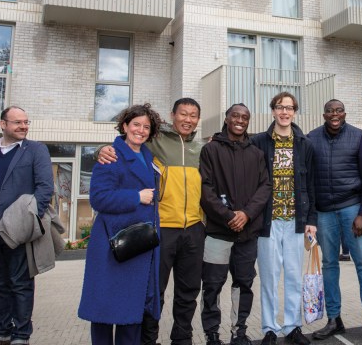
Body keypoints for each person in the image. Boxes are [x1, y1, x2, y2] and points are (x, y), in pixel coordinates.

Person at [97, 98, 205, 345]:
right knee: (154, 291)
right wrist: (100, 149)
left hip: (194, 228)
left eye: (193, 115)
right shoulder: (153, 142)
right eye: (183, 114)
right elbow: (125, 146)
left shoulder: (200, 148)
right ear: (173, 115)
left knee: (188, 291)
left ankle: (182, 338)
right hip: (162, 227)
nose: (188, 119)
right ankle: (148, 340)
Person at [0, 106, 54, 345]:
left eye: (26, 121)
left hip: (18, 231)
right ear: (3, 124)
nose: (24, 126)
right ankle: (1, 331)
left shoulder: (36, 150)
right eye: (17, 122)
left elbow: (45, 189)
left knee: (20, 283)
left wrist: (28, 223)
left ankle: (21, 335)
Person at [78, 103, 163, 344]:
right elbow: (99, 198)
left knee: (132, 313)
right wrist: (136, 196)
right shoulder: (112, 155)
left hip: (140, 245)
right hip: (113, 244)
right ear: (124, 126)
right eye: (136, 124)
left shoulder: (147, 156)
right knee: (105, 311)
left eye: (146, 127)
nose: (141, 130)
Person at [308, 100, 362, 344]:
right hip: (324, 212)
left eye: (338, 110)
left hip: (352, 209)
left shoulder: (357, 136)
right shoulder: (311, 138)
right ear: (324, 114)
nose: (334, 114)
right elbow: (308, 179)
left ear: (344, 113)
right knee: (329, 265)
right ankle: (334, 319)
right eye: (330, 110)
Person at [200, 104, 271, 345]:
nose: (240, 120)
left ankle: (238, 332)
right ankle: (211, 334)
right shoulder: (210, 150)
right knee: (212, 285)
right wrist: (228, 216)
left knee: (243, 284)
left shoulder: (256, 153)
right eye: (236, 116)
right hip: (218, 232)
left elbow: (265, 187)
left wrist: (247, 214)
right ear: (227, 118)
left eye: (245, 117)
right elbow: (205, 189)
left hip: (248, 234)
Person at [251, 92, 317, 345]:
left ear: (295, 112)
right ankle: (269, 327)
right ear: (273, 110)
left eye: (289, 108)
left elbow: (311, 185)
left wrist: (312, 219)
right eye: (280, 107)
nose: (284, 112)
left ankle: (292, 326)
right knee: (268, 278)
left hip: (296, 221)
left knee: (293, 276)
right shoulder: (259, 142)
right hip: (267, 221)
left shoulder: (305, 143)